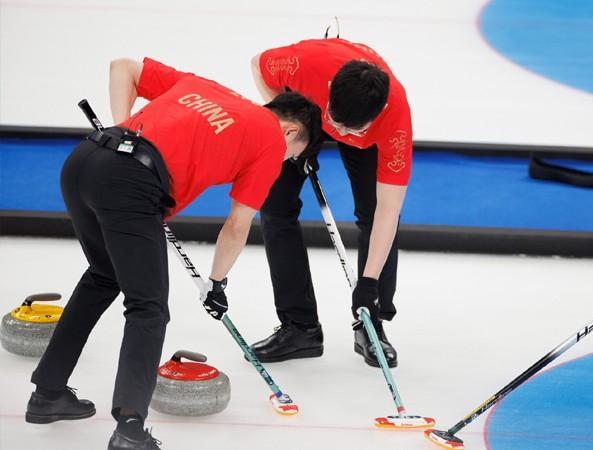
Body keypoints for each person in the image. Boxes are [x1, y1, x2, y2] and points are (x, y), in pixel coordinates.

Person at [26, 56, 321, 450]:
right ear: (290, 131)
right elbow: (237, 225)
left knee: (103, 276)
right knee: (148, 308)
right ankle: (130, 428)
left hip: (85, 161)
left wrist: (122, 132)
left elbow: (123, 66)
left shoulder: (210, 87)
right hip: (129, 182)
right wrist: (217, 283)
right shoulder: (271, 141)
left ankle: (48, 393)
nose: (286, 161)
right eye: (294, 155)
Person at [248, 37, 412, 368]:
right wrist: (293, 127)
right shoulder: (305, 66)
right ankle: (299, 327)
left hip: (368, 138)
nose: (339, 133)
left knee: (373, 214)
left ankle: (371, 323)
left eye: (349, 130)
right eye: (334, 123)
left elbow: (388, 210)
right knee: (275, 204)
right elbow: (257, 65)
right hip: (309, 113)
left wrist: (368, 284)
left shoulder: (395, 122)